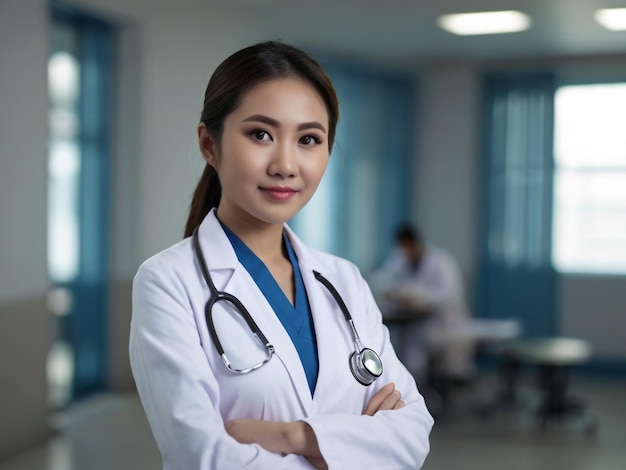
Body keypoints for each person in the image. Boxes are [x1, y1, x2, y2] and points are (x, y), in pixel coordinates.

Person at [129, 41, 433, 469]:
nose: (286, 164)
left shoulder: (343, 280)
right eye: (260, 134)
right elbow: (203, 457)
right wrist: (352, 449)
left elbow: (414, 431)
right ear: (208, 144)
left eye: (309, 138)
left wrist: (295, 436)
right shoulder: (167, 282)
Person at [370, 224, 476, 386]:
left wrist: (418, 297)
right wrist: (392, 293)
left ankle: (429, 392)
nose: (404, 252)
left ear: (414, 243)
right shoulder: (401, 259)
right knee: (405, 357)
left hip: (441, 324)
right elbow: (381, 280)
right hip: (413, 324)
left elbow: (448, 295)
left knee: (420, 361)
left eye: (406, 247)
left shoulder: (441, 262)